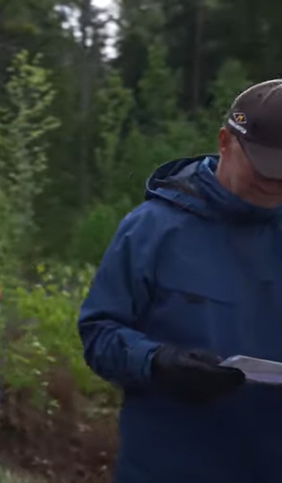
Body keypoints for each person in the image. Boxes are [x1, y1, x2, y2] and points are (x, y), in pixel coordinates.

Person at [78, 79, 282, 483]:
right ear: (225, 141)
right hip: (168, 464)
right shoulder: (152, 230)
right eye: (265, 166)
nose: (275, 183)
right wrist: (157, 362)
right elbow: (98, 334)